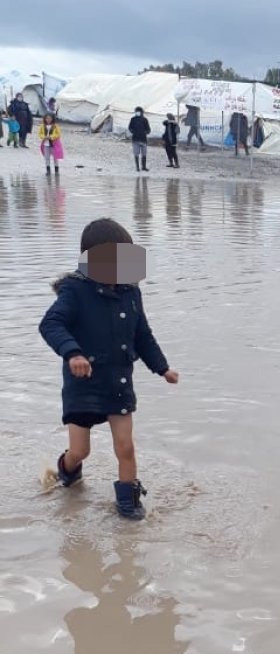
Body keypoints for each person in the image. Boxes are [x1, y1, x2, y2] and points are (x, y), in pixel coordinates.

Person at [38, 217, 179, 520]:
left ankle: (128, 504)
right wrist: (72, 353)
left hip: (118, 382)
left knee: (125, 447)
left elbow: (142, 335)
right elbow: (51, 324)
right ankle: (66, 471)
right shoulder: (74, 292)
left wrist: (162, 367)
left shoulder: (131, 292)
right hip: (83, 384)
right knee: (80, 451)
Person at [128, 107, 150, 172]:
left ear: (141, 112)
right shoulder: (133, 119)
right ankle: (137, 167)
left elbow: (148, 129)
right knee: (136, 154)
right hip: (135, 139)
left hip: (143, 139)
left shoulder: (145, 120)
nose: (137, 112)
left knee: (144, 154)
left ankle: (144, 167)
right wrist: (133, 131)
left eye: (138, 111)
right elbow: (130, 127)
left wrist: (146, 132)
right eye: (136, 111)